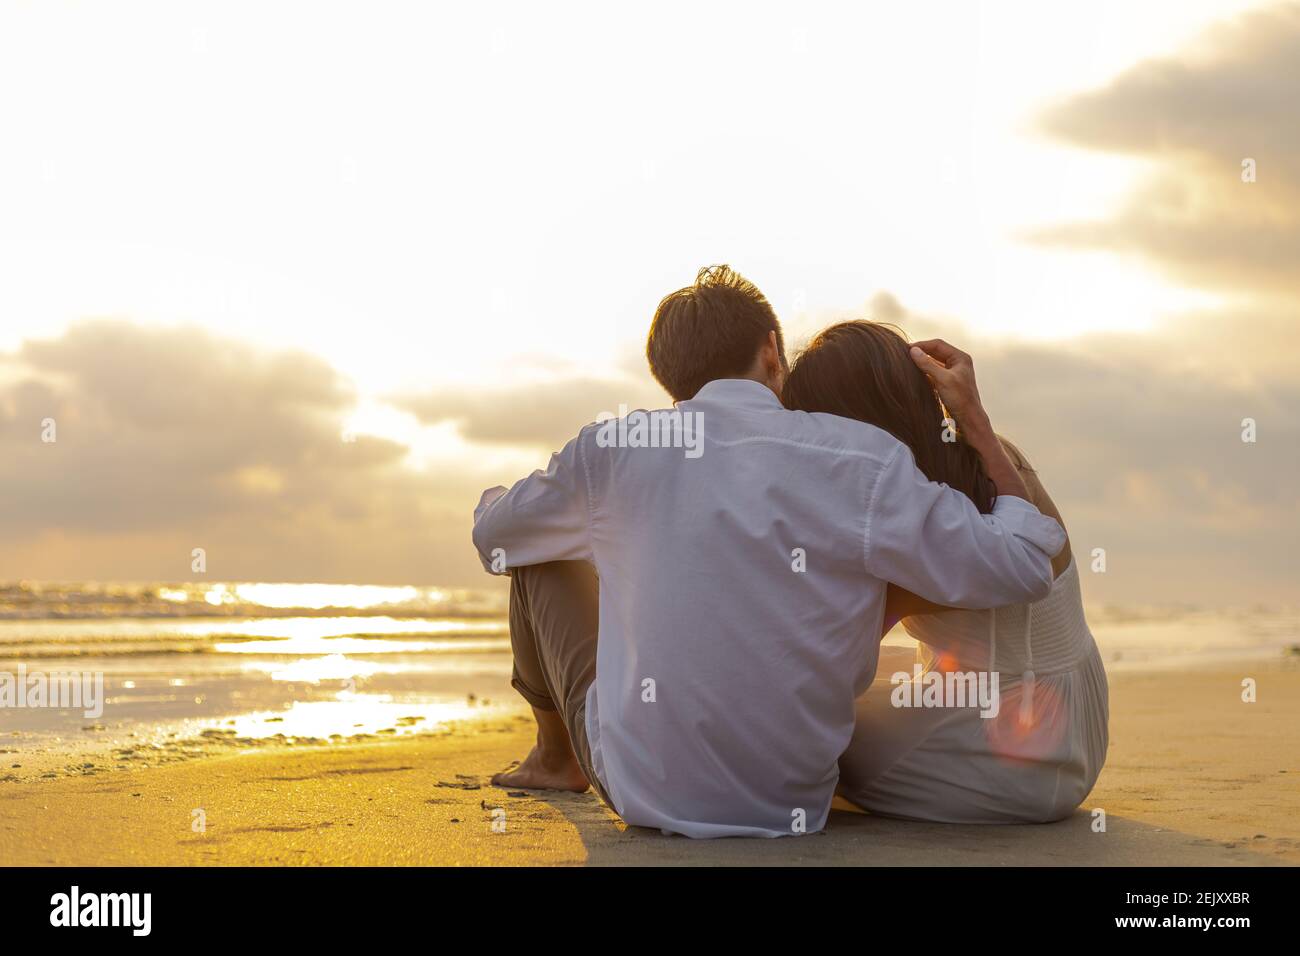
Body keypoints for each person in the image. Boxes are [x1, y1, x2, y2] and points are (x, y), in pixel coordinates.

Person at [470, 266, 1066, 838]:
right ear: (772, 351)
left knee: (535, 553)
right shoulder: (863, 458)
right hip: (792, 803)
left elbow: (495, 540)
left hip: (644, 793)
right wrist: (972, 422)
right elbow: (1025, 561)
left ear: (671, 378)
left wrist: (505, 501)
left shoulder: (613, 449)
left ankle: (555, 759)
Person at [782, 320, 1108, 823]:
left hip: (1005, 751)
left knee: (799, 733)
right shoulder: (994, 459)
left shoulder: (904, 511)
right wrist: (972, 413)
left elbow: (840, 647)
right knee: (877, 681)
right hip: (1078, 719)